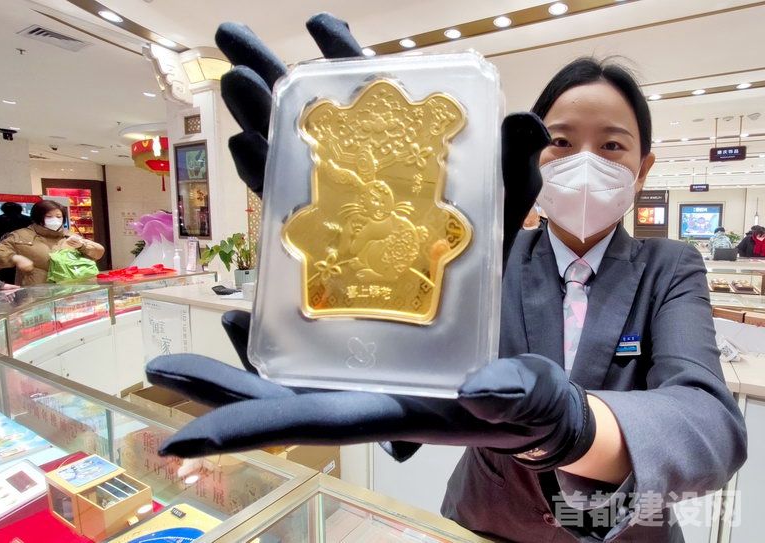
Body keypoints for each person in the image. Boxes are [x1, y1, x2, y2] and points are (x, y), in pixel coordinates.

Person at [143, 16, 746, 543]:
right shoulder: (480, 255)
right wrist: (354, 347)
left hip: (622, 532)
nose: (584, 162)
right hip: (484, 521)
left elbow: (709, 426)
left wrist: (573, 426)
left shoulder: (669, 267)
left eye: (612, 146)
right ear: (534, 152)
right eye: (561, 142)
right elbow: (414, 390)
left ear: (643, 167)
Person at [0, 200, 104, 286]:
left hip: (71, 296)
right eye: (49, 216)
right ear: (38, 218)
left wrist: (83, 246)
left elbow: (98, 253)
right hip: (38, 296)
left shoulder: (69, 235)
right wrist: (14, 258)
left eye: (58, 216)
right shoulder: (20, 236)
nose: (55, 220)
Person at [0, 201, 33, 284]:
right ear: (20, 210)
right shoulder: (28, 225)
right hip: (26, 260)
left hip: (2, 261)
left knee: (6, 285)